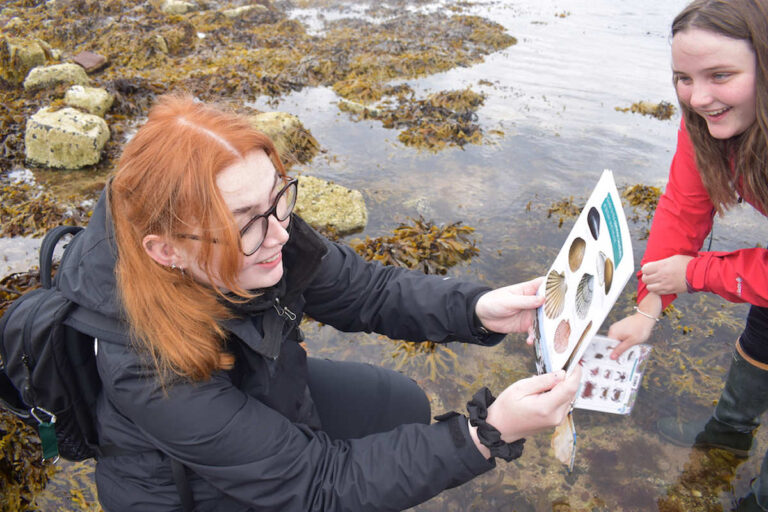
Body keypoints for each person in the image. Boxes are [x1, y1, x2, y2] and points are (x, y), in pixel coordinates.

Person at [55, 93, 581, 511]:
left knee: (399, 403)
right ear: (166, 251)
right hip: (185, 490)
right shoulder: (143, 366)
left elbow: (365, 289)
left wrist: (476, 308)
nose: (280, 235)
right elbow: (317, 485)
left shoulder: (262, 224)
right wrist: (487, 434)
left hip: (258, 382)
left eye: (278, 197)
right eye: (246, 224)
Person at [607, 0, 768, 510]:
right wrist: (646, 310)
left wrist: (697, 272)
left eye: (721, 75)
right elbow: (682, 210)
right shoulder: (708, 122)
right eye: (684, 78)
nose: (698, 98)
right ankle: (727, 436)